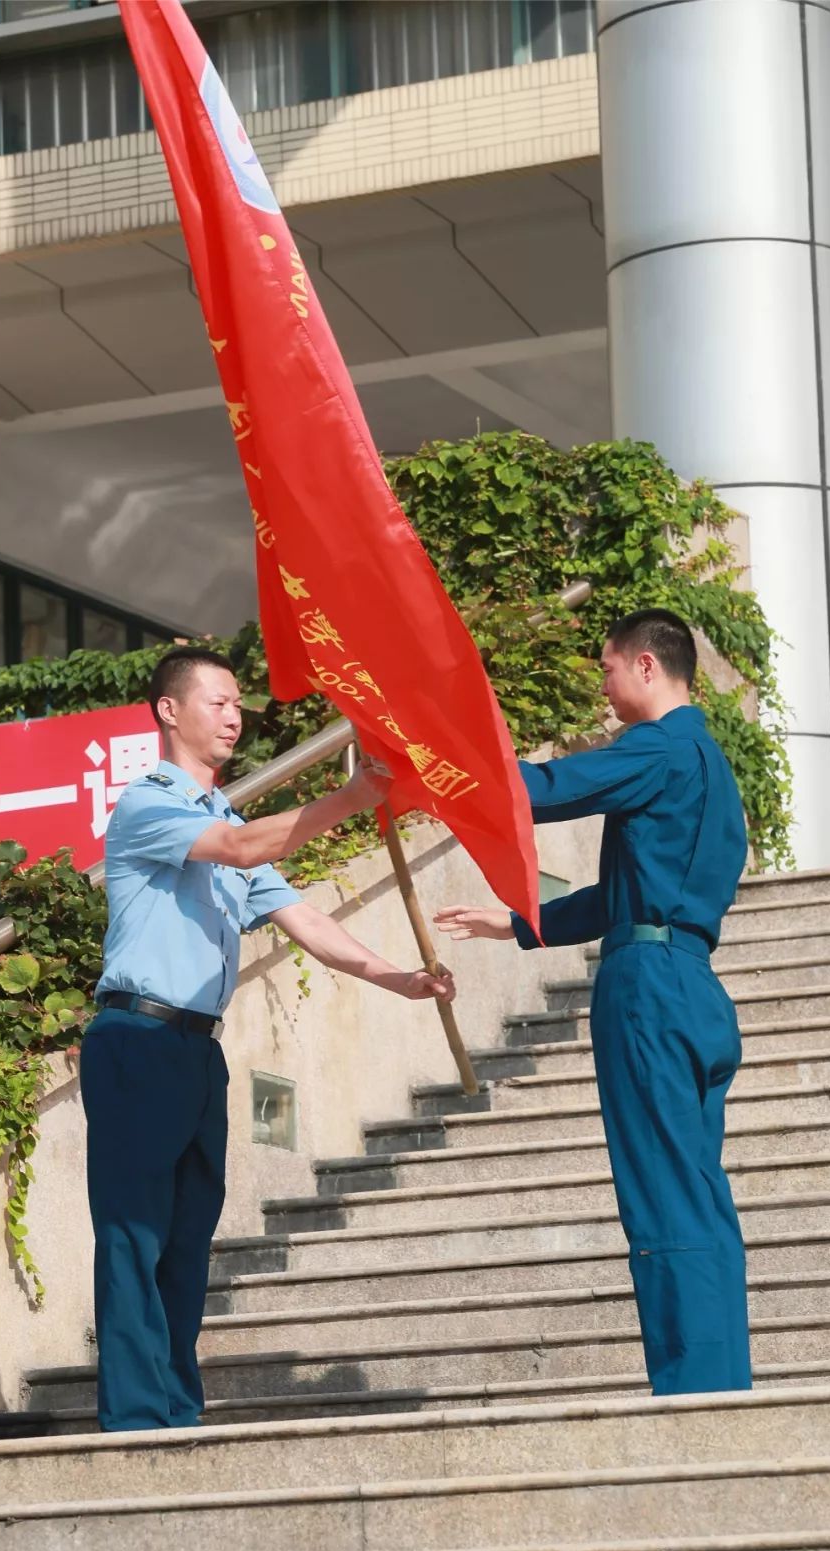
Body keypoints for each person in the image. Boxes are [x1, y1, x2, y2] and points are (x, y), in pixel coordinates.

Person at [81, 644, 455, 1433]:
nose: (232, 713)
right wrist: (349, 800)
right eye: (215, 699)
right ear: (168, 711)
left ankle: (176, 1410)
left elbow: (308, 924)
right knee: (132, 1235)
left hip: (195, 1052)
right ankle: (137, 1419)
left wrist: (402, 980)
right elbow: (246, 852)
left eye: (236, 701)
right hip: (137, 1039)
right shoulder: (150, 804)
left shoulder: (227, 818)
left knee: (186, 1243)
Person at [435, 608, 750, 1397]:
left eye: (608, 669)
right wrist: (517, 925)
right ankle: (720, 1378)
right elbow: (624, 891)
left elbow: (542, 790)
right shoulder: (712, 765)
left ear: (648, 666)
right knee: (698, 1193)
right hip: (695, 985)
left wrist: (434, 767)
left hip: (649, 988)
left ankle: (693, 1392)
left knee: (663, 1195)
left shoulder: (659, 747)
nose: (603, 688)